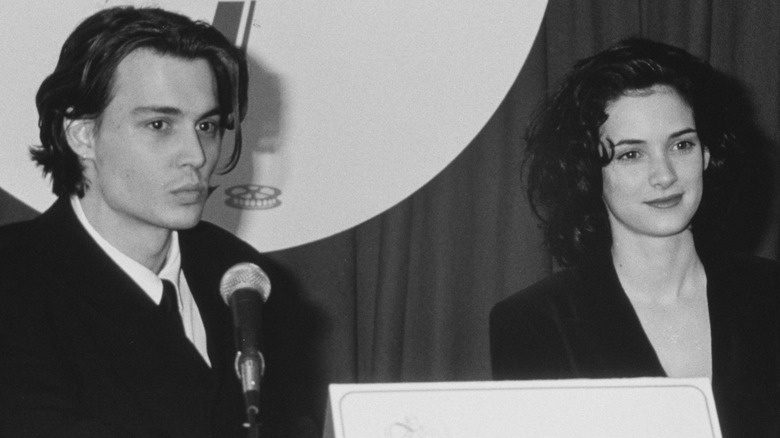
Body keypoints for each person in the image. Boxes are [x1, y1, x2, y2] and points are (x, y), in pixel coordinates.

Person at [0, 6, 286, 438]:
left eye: (206, 125)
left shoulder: (241, 277)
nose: (196, 154)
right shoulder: (13, 281)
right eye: (159, 124)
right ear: (82, 134)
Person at [489, 38, 780, 438]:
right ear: (589, 170)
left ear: (707, 153)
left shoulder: (771, 294)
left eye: (681, 145)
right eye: (631, 154)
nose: (664, 175)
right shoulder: (534, 324)